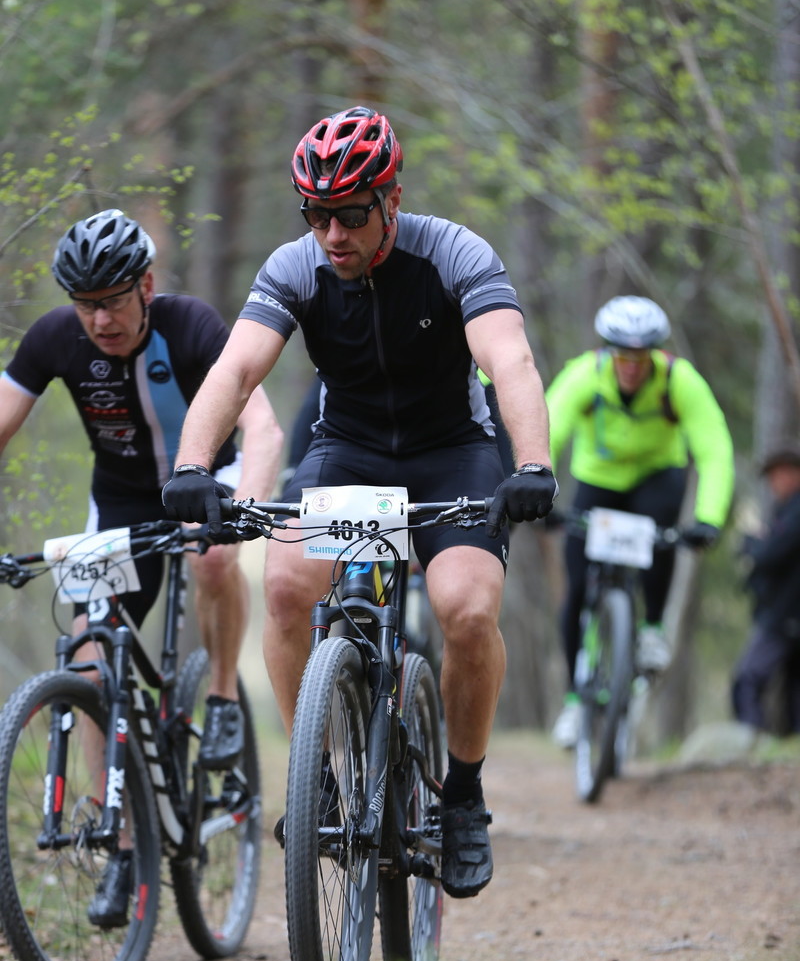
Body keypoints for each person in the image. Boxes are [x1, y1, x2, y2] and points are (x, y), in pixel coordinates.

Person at [162, 104, 558, 900]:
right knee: (281, 586)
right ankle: (324, 779)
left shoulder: (452, 253)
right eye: (317, 215)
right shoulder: (293, 268)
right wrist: (193, 465)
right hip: (348, 447)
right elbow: (236, 372)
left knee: (467, 610)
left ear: (392, 201)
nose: (333, 235)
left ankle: (465, 797)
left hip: (455, 449)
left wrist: (533, 462)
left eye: (349, 215)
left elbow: (509, 359)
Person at [0, 207, 283, 924]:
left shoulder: (189, 326)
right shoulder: (54, 341)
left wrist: (242, 511)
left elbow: (263, 427)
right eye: (85, 304)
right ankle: (120, 839)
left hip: (208, 481)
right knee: (93, 660)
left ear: (146, 285)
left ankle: (219, 699)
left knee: (216, 563)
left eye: (113, 301)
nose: (99, 320)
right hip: (122, 506)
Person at [547, 295, 735, 748]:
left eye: (640, 357)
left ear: (654, 352)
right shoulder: (583, 375)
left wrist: (709, 518)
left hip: (657, 476)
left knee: (660, 536)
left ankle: (650, 631)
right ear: (608, 351)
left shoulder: (679, 381)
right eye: (621, 356)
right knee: (575, 589)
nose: (630, 366)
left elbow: (714, 449)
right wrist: (539, 494)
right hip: (597, 479)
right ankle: (576, 701)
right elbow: (545, 429)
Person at [731, 444, 800, 733]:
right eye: (771, 476)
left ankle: (749, 740)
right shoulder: (783, 511)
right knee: (792, 685)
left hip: (786, 615)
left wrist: (752, 544)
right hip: (782, 611)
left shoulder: (795, 511)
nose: (775, 483)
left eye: (780, 474)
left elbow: (771, 552)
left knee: (748, 678)